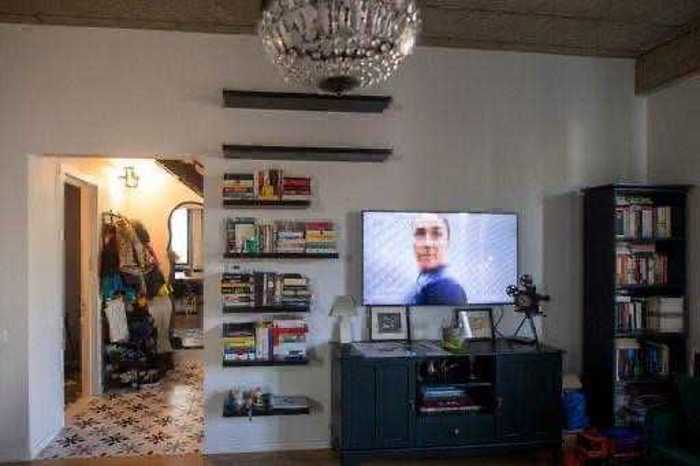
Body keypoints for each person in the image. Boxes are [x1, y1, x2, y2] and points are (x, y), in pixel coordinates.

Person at [408, 214, 467, 306]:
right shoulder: (423, 283)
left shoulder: (447, 289)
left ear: (447, 241)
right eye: (420, 234)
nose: (427, 243)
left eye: (436, 234)